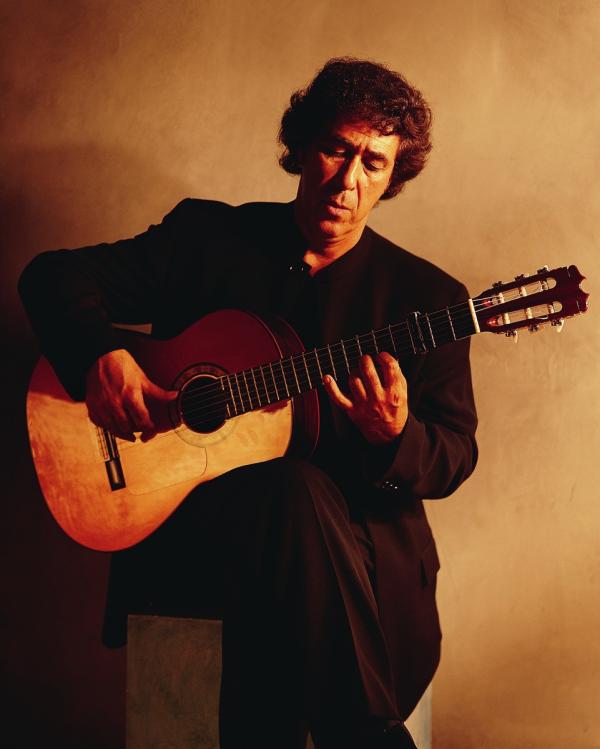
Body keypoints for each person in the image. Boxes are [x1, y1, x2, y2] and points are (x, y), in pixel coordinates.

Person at [19, 58, 478, 748]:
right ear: (302, 146)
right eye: (336, 149)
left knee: (291, 489)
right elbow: (52, 276)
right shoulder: (206, 240)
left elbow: (453, 454)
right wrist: (96, 358)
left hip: (358, 557)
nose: (349, 182)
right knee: (284, 489)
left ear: (393, 177)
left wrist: (394, 434)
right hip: (192, 525)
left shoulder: (427, 300)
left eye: (374, 164)